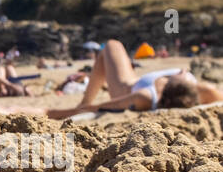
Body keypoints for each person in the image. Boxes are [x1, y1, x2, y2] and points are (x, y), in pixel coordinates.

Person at [46, 39, 221, 118]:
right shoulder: (205, 91)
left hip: (127, 85)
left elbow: (100, 107)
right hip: (144, 81)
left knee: (111, 46)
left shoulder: (146, 96)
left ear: (171, 85)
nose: (182, 72)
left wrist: (55, 113)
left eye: (180, 76)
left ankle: (83, 99)